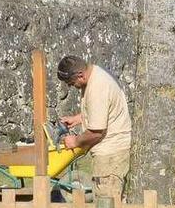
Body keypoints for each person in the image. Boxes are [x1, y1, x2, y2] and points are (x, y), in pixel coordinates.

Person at [56, 55, 131, 199]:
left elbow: (97, 132)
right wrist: (78, 118)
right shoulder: (96, 74)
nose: (71, 86)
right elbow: (105, 111)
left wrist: (76, 141)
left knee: (107, 204)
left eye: (71, 82)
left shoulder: (98, 88)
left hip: (110, 154)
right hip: (112, 152)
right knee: (113, 202)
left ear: (80, 75)